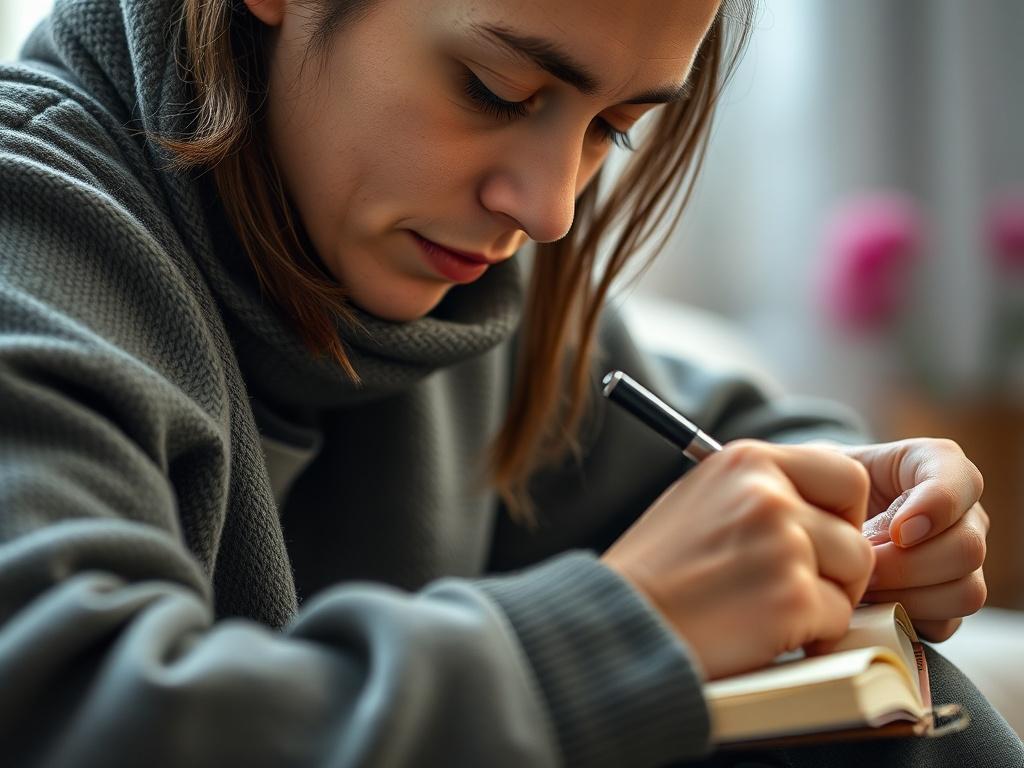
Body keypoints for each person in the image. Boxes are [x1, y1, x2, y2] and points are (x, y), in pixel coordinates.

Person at [0, 0, 1020, 765]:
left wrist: (850, 498)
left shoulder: (444, 270)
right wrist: (619, 633)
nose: (547, 210)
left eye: (609, 127)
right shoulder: (30, 235)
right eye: (496, 91)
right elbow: (73, 717)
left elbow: (687, 432)